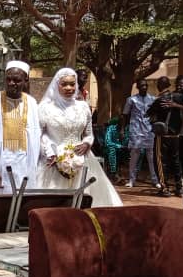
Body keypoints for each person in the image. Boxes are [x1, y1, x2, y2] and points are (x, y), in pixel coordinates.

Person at [37, 67, 122, 206]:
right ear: (56, 85)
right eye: (64, 84)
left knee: (86, 199)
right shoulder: (45, 108)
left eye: (72, 84)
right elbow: (40, 134)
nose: (69, 88)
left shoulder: (83, 107)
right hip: (53, 161)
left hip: (82, 159)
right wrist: (50, 151)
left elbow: (88, 134)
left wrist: (87, 143)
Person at [0, 60, 42, 192]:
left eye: (17, 80)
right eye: (8, 79)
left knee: (23, 206)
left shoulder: (32, 103)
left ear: (26, 80)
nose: (11, 83)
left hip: (26, 167)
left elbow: (37, 137)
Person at [120, 79, 160, 189]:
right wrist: (122, 129)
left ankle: (154, 180)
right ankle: (132, 180)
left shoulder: (152, 99)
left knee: (151, 156)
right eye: (142, 86)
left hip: (149, 130)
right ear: (137, 87)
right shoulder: (131, 100)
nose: (144, 87)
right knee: (134, 156)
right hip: (136, 130)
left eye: (145, 85)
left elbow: (156, 114)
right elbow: (125, 115)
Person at [148, 76, 183, 197]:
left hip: (163, 135)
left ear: (159, 85)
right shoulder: (178, 97)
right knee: (176, 160)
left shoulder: (159, 100)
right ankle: (180, 188)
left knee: (160, 161)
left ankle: (164, 188)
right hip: (176, 135)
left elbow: (148, 113)